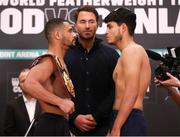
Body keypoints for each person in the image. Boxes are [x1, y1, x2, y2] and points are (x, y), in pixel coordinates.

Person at [64, 6, 119, 136]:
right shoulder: (64, 54)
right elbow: (56, 90)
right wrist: (74, 117)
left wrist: (97, 116)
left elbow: (118, 88)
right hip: (70, 129)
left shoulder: (111, 55)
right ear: (76, 25)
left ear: (97, 24)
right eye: (83, 22)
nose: (87, 26)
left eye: (91, 21)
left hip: (104, 130)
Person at [23, 18, 76, 136]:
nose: (74, 34)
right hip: (50, 125)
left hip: (58, 124)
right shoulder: (49, 60)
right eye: (70, 30)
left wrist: (65, 129)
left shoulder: (59, 61)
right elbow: (28, 83)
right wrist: (61, 102)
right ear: (57, 35)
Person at [104, 7, 151, 136]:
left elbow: (131, 91)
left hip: (129, 118)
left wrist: (116, 127)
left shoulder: (133, 51)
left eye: (110, 26)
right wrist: (114, 126)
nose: (106, 31)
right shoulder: (125, 54)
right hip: (122, 117)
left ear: (123, 28)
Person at [3, 68, 41, 136]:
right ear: (19, 86)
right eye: (23, 81)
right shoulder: (12, 106)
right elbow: (8, 131)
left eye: (29, 80)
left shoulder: (44, 104)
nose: (26, 83)